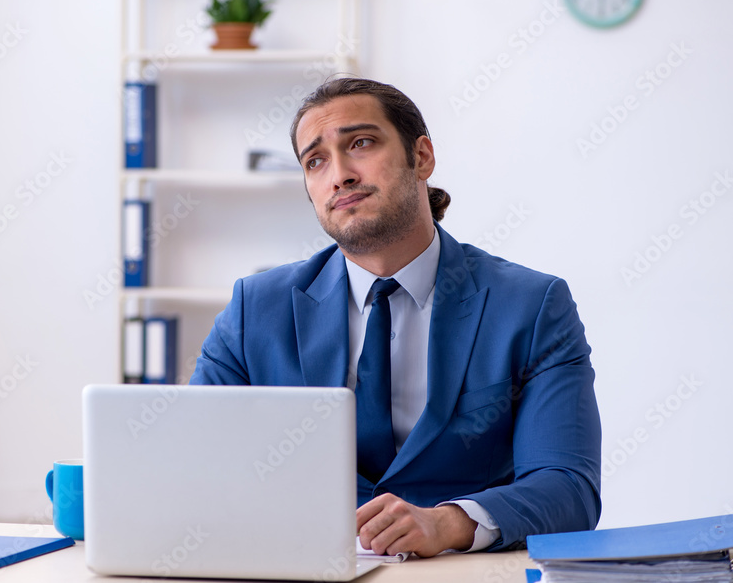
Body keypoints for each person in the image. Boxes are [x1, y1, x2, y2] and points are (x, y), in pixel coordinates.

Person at [189, 77, 601, 558]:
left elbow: (568, 487)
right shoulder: (254, 310)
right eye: (315, 161)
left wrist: (449, 523)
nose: (339, 174)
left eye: (360, 143)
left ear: (421, 157)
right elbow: (198, 467)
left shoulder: (532, 306)